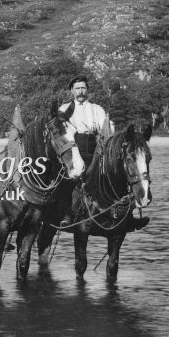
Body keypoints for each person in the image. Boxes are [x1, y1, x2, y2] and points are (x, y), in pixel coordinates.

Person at [58, 77, 148, 230]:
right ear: (72, 91)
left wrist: (104, 132)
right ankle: (67, 214)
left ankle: (128, 215)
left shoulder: (96, 109)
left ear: (87, 90)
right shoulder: (64, 109)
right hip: (72, 148)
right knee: (69, 177)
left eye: (83, 88)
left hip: (94, 148)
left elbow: (108, 127)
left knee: (119, 172)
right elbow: (60, 130)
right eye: (77, 88)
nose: (80, 91)